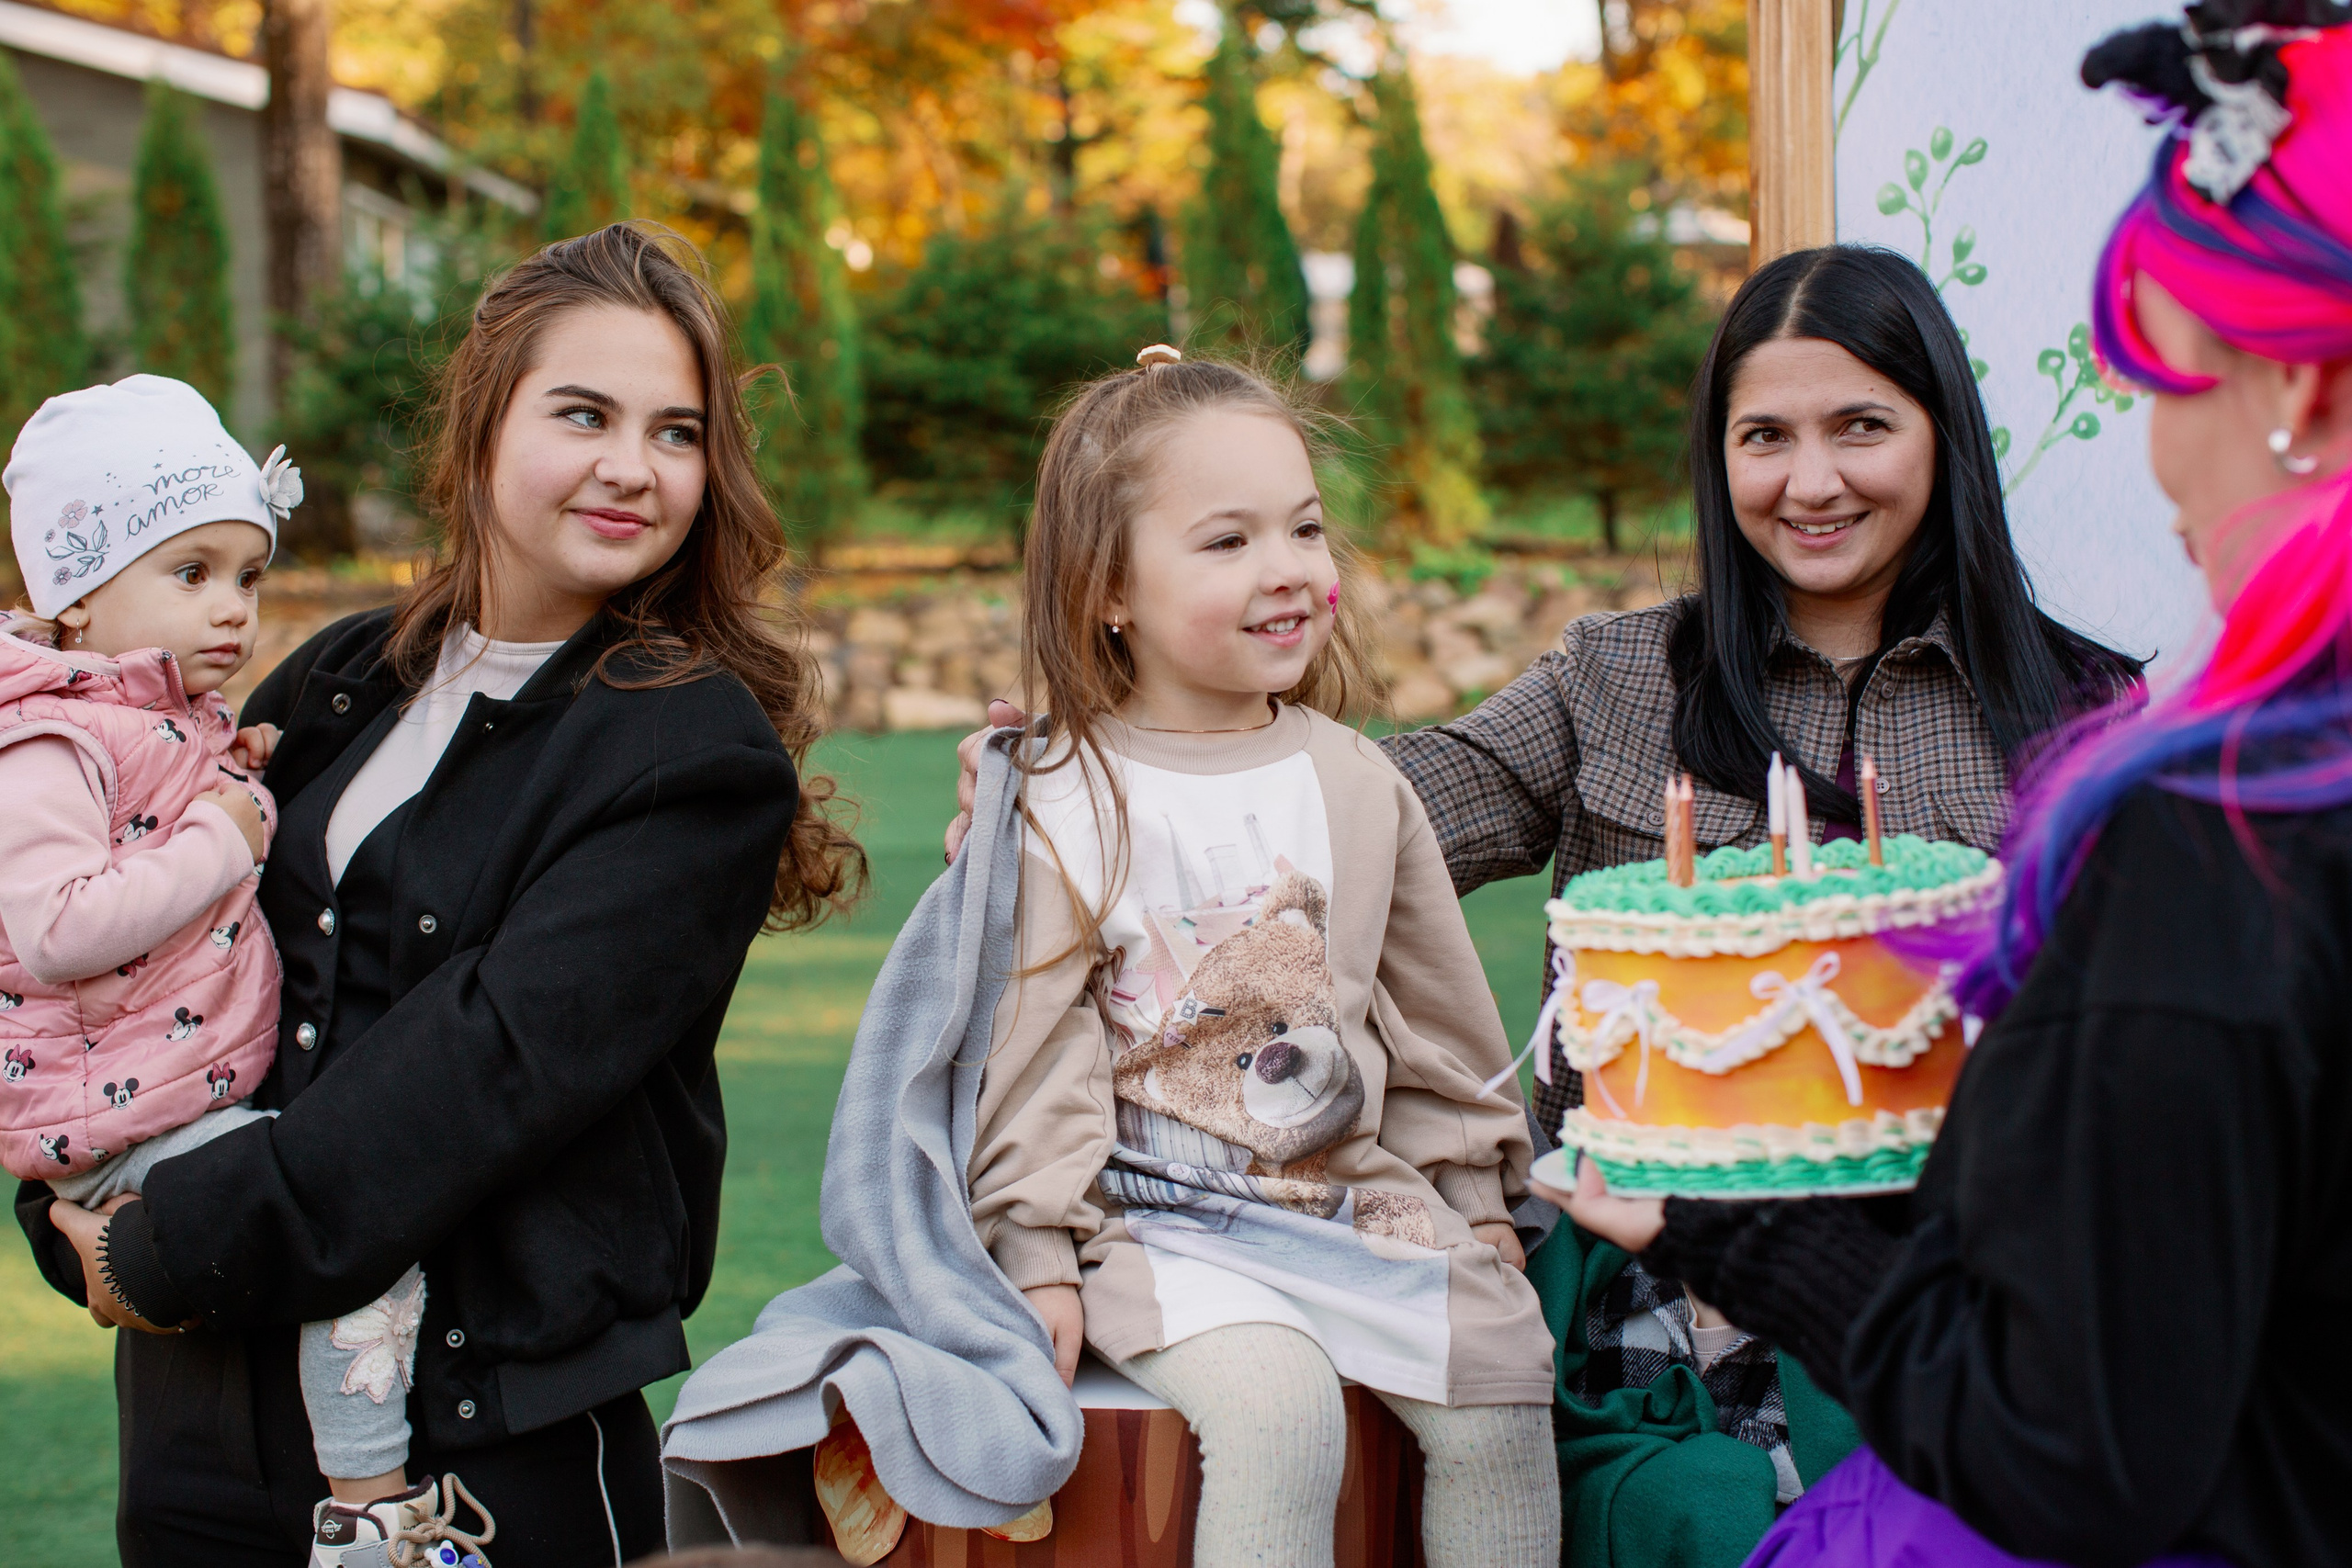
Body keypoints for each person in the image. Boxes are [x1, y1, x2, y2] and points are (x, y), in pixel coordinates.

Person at [951, 249, 2144, 1558]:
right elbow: (1357, 821)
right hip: (1644, 1275)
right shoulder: (1623, 677)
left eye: (1862, 424)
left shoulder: (2086, 720)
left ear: (1942, 432)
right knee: (1695, 1507)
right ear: (1718, 453)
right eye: (1766, 436)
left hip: (1944, 1273)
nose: (1812, 480)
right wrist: (1101, 809)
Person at [1558, 7, 2352, 1567]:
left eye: (2161, 376)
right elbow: (1397, 799)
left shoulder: (2191, 809)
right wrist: (1085, 785)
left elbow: (2074, 1441)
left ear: (2302, 397)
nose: (2156, 450)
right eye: (1762, 436)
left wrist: (1752, 1227)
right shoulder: (1623, 673)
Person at [15, 224, 863, 1568]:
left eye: (677, 431)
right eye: (582, 412)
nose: (632, 467)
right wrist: (74, 1210)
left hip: (474, 1441)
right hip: (196, 1411)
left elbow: (480, 1072)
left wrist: (156, 1247)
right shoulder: (343, 674)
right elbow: (119, 955)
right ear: (481, 425)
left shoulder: (688, 751)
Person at [981, 349, 1560, 1566]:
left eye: (1302, 526)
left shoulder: (1354, 778)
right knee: (1283, 1414)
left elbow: (1434, 1013)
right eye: (1228, 540)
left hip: (1346, 1192)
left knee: (1503, 1378)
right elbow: (1032, 1051)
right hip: (1151, 1211)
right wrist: (1037, 1253)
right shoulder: (1068, 795)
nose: (1288, 566)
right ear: (1108, 589)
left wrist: (1473, 1188)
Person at [0, 376, 488, 1558]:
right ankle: (371, 1515)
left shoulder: (150, 714)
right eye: (191, 574)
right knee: (354, 1243)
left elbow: (167, 784)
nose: (233, 612)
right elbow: (53, 925)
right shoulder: (48, 741)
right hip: (122, 1110)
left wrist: (230, 768)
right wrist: (224, 835)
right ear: (74, 597)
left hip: (173, 1087)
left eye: (248, 575)